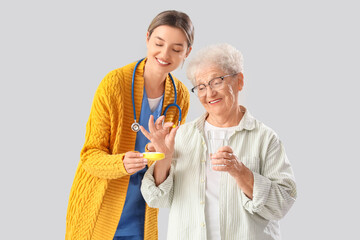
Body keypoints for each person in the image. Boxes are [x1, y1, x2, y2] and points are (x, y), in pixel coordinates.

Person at [140, 43, 297, 240]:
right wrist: (164, 157)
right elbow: (156, 199)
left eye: (216, 81)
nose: (209, 93)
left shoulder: (265, 138)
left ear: (239, 81)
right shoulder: (181, 136)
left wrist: (240, 172)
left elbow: (282, 204)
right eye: (201, 86)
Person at [65, 10, 194, 240]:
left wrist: (162, 155)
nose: (165, 54)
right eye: (159, 43)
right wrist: (121, 163)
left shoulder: (180, 96)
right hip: (98, 208)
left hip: (142, 215)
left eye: (176, 49)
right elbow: (89, 155)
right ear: (147, 38)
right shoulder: (113, 84)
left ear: (187, 52)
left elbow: (168, 160)